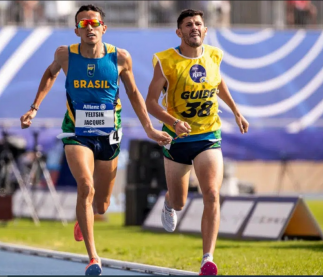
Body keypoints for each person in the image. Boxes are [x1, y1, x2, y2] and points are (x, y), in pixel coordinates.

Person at [20, 4, 171, 276]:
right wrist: (34, 107)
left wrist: (149, 128)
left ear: (104, 27)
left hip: (109, 135)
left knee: (101, 204)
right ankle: (93, 258)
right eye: (84, 24)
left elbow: (135, 93)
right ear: (77, 29)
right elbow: (50, 74)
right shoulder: (65, 55)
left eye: (95, 23)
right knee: (86, 186)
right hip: (77, 133)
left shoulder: (120, 57)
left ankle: (84, 217)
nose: (90, 28)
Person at [145, 9, 249, 276]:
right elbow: (150, 103)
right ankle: (169, 203)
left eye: (198, 24)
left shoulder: (214, 55)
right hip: (177, 139)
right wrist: (173, 121)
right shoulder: (165, 61)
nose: (194, 27)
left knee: (212, 194)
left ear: (205, 30)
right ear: (179, 32)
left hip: (208, 136)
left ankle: (207, 258)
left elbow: (218, 82)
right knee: (180, 201)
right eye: (188, 24)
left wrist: (236, 111)